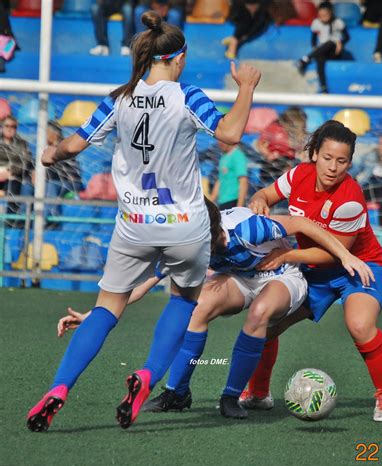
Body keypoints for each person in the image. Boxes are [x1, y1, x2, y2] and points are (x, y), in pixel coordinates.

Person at [27, 11, 261, 432]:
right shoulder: (187, 95)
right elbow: (229, 134)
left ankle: (59, 388)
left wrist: (49, 154)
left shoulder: (119, 97)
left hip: (134, 223)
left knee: (106, 309)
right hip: (186, 224)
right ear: (179, 57)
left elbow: (72, 145)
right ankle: (149, 375)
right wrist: (245, 88)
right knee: (184, 301)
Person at [56, 200, 374, 419]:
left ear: (213, 231)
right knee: (198, 306)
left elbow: (300, 222)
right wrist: (94, 316)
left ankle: (231, 397)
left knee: (260, 312)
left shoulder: (249, 229)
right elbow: (143, 282)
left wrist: (345, 256)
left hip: (280, 275)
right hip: (240, 278)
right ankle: (176, 393)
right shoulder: (188, 242)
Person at [247, 120, 382, 422]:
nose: (333, 167)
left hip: (359, 268)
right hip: (314, 269)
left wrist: (286, 255)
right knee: (269, 323)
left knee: (358, 325)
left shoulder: (351, 199)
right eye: (327, 158)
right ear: (314, 154)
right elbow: (264, 194)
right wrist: (259, 202)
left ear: (350, 163)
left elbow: (333, 254)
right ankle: (258, 393)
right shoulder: (297, 175)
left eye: (341, 161)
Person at [295, 1, 350, 94]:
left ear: (331, 13)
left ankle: (305, 59)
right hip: (323, 50)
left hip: (335, 51)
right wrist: (315, 49)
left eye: (325, 15)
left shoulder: (338, 22)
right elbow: (313, 40)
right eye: (321, 15)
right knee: (320, 59)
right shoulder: (316, 23)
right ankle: (324, 87)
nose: (323, 17)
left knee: (330, 42)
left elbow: (347, 37)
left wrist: (340, 43)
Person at [44, 121, 84, 224]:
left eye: (46, 132)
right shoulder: (44, 147)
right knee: (28, 185)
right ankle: (22, 218)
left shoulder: (63, 147)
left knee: (51, 185)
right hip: (55, 181)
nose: (44, 135)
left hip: (71, 182)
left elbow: (66, 172)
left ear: (55, 134)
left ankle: (51, 218)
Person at [0, 115, 34, 226]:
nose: (10, 129)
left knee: (12, 188)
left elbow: (25, 162)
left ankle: (10, 222)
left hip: (13, 176)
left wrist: (10, 172)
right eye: (7, 126)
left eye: (13, 126)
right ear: (1, 127)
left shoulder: (22, 144)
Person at [209, 141, 248, 210]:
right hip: (222, 201)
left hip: (233, 200)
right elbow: (220, 180)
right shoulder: (223, 157)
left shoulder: (237, 156)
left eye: (222, 141)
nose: (220, 143)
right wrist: (210, 201)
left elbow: (243, 181)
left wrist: (239, 206)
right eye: (219, 140)